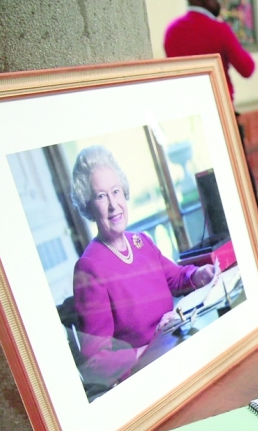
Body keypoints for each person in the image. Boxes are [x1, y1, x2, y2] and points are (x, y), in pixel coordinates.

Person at [70, 146, 216, 391]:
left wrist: (199, 275)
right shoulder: (89, 268)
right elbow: (95, 360)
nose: (113, 205)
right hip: (146, 377)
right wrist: (149, 349)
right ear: (89, 206)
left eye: (116, 192)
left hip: (176, 349)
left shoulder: (142, 242)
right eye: (101, 196)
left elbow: (176, 278)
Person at [164, 0, 258, 221]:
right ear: (207, 0)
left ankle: (216, 220)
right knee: (237, 164)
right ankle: (254, 213)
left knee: (204, 168)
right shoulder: (218, 29)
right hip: (219, 109)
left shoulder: (173, 30)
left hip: (188, 113)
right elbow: (247, 68)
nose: (220, 4)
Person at [164, 0, 255, 99]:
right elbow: (247, 68)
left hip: (184, 100)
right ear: (210, 0)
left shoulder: (172, 29)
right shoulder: (220, 30)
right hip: (218, 102)